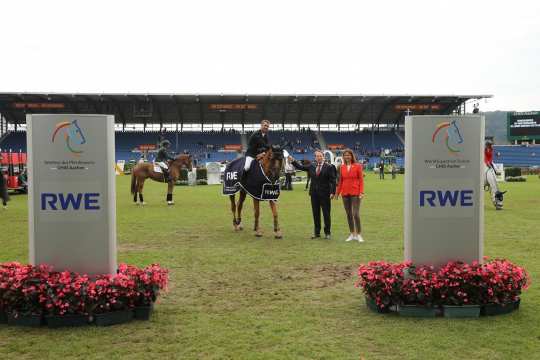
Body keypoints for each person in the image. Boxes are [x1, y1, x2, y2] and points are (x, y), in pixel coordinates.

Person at [289, 151, 336, 239]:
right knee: (316, 214)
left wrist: (333, 192)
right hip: (314, 194)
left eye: (320, 156)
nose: (318, 157)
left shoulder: (329, 167)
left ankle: (327, 233)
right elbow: (301, 167)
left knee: (326, 214)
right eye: (317, 156)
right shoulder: (311, 166)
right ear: (315, 157)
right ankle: (317, 233)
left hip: (325, 194)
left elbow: (333, 181)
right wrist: (292, 161)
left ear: (323, 157)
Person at [335, 149, 364, 242]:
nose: (347, 157)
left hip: (355, 193)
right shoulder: (341, 167)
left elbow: (361, 180)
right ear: (343, 157)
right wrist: (337, 193)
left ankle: (359, 234)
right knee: (348, 214)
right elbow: (340, 181)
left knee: (355, 214)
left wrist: (361, 192)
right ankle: (352, 233)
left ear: (352, 156)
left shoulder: (358, 166)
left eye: (348, 155)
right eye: (345, 155)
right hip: (345, 193)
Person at [484, 140, 505, 210]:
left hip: (490, 161)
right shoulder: (484, 150)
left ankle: (496, 173)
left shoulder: (491, 149)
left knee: (495, 169)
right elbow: (485, 157)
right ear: (487, 145)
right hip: (485, 161)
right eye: (490, 145)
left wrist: (490, 163)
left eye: (491, 145)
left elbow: (491, 157)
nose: (491, 146)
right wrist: (487, 163)